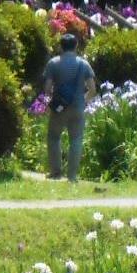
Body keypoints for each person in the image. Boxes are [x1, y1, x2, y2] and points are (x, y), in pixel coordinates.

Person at [42, 33, 96, 182]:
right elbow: (92, 89)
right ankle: (72, 177)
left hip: (59, 107)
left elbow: (47, 88)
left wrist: (47, 105)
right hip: (77, 106)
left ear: (61, 46)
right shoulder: (84, 64)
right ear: (76, 46)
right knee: (76, 140)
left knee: (53, 137)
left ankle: (56, 172)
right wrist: (83, 101)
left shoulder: (53, 63)